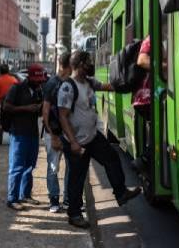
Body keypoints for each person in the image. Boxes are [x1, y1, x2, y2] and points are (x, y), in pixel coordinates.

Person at [58, 50, 141, 229]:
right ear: (79, 65)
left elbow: (107, 86)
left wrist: (130, 82)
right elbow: (63, 116)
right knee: (77, 179)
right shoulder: (68, 87)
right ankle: (74, 214)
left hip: (92, 137)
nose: (90, 65)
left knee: (111, 157)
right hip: (77, 141)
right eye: (87, 62)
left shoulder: (88, 82)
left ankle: (120, 192)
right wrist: (72, 142)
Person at [2, 64, 45, 211]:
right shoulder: (17, 88)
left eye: (41, 80)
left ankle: (25, 194)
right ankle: (12, 198)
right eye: (37, 79)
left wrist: (40, 108)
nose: (39, 82)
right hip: (19, 133)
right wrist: (26, 108)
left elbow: (39, 112)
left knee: (30, 166)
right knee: (17, 166)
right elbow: (6, 107)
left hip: (32, 133)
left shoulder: (39, 90)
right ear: (30, 77)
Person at [41, 53, 72, 213]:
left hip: (68, 133)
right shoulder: (52, 83)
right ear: (69, 66)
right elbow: (45, 111)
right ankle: (54, 200)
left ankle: (67, 200)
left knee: (70, 167)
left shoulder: (69, 83)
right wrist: (52, 135)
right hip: (54, 132)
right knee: (53, 167)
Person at [131, 35, 151, 173]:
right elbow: (142, 60)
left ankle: (145, 159)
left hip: (147, 98)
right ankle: (144, 160)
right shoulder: (151, 39)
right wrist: (167, 66)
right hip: (145, 98)